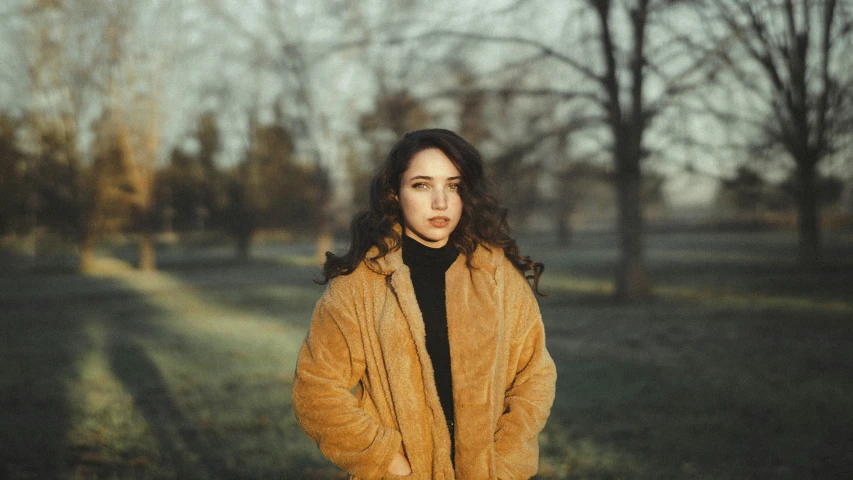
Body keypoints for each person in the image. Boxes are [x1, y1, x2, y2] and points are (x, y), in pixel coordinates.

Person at [292, 128, 557, 479]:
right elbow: (317, 388)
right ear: (394, 194)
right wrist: (387, 462)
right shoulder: (359, 286)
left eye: (453, 186)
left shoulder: (498, 277)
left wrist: (505, 463)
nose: (440, 202)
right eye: (421, 185)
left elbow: (534, 375)